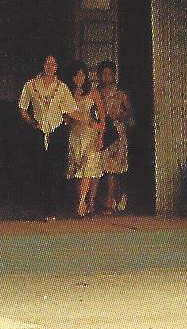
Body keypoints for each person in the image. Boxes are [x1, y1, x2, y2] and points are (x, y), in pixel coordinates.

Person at [19, 55, 85, 221]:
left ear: (57, 67)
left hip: (56, 133)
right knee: (38, 169)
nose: (50, 66)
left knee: (55, 171)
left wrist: (88, 120)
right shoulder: (30, 85)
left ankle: (51, 210)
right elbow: (23, 107)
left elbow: (71, 110)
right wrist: (31, 121)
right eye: (47, 63)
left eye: (53, 64)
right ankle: (38, 207)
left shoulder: (61, 87)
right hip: (37, 132)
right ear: (42, 65)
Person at [64, 62, 104, 218]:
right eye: (76, 75)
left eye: (81, 75)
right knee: (77, 170)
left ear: (86, 76)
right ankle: (83, 200)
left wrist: (100, 136)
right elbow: (66, 116)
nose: (79, 78)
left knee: (88, 168)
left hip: (90, 134)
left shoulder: (93, 92)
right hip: (75, 135)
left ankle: (82, 202)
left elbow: (102, 116)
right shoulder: (68, 94)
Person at [98, 60, 134, 215]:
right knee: (103, 167)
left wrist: (120, 115)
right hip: (103, 131)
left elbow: (131, 112)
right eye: (104, 74)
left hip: (117, 133)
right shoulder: (97, 93)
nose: (107, 77)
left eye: (109, 74)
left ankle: (112, 200)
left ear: (114, 75)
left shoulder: (120, 94)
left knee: (115, 168)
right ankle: (110, 199)